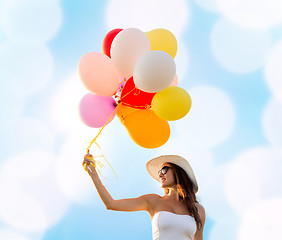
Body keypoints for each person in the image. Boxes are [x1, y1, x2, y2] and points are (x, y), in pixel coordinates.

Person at [83, 154, 205, 240]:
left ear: (178, 172)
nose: (160, 174)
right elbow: (111, 204)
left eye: (164, 169)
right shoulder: (153, 200)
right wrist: (93, 175)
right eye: (159, 172)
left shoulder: (197, 209)